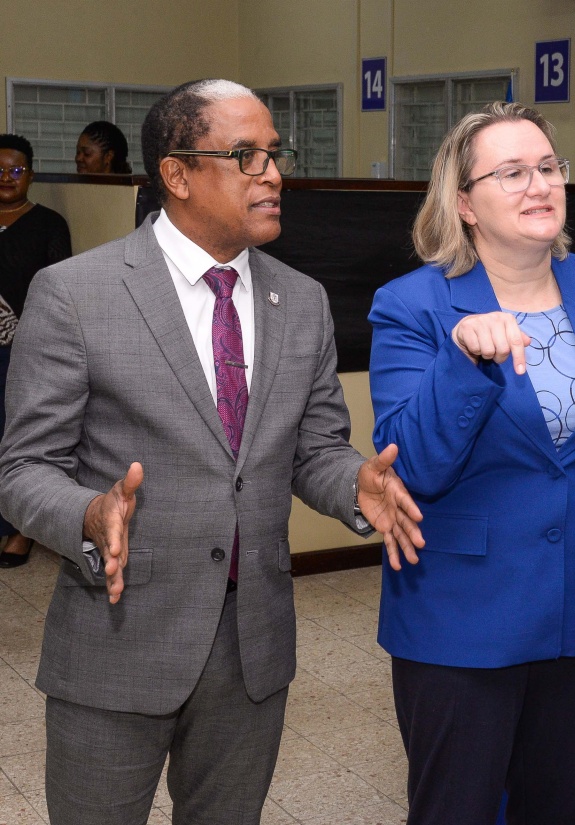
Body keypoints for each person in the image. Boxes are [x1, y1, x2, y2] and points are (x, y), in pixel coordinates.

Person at [0, 79, 425, 825]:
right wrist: (89, 513)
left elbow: (313, 447)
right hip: (119, 635)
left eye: (274, 154)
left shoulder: (300, 301)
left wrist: (352, 481)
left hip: (251, 647)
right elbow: (23, 469)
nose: (273, 173)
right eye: (246, 155)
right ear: (178, 173)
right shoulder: (74, 293)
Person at [369, 101, 575, 825]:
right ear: (464, 201)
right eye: (511, 172)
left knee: (556, 811)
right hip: (460, 623)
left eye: (547, 167)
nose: (539, 184)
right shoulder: (413, 305)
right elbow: (415, 468)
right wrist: (463, 360)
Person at [0, 133, 71, 568]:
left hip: (22, 352)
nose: (6, 178)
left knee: (14, 437)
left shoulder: (48, 224)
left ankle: (19, 531)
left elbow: (58, 288)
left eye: (16, 169)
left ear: (31, 174)